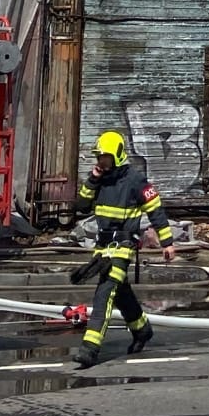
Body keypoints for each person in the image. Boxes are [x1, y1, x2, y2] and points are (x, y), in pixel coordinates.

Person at [71, 130, 175, 369]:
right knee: (120, 292)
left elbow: (156, 210)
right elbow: (82, 205)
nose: (101, 162)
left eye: (105, 158)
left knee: (105, 292)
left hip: (123, 247)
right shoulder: (101, 179)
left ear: (116, 156)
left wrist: (167, 243)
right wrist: (93, 179)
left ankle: (90, 349)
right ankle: (142, 329)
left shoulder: (135, 180)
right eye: (99, 158)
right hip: (102, 247)